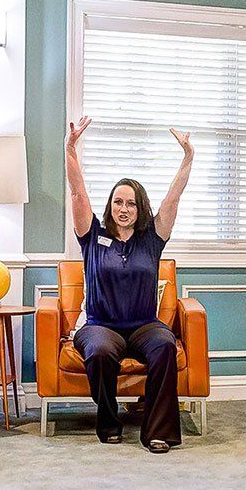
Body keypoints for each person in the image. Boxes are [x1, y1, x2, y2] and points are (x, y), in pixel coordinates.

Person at [65, 116, 193, 453]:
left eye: (131, 203)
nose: (124, 209)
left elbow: (173, 200)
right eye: (118, 202)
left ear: (141, 209)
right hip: (100, 325)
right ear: (110, 205)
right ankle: (108, 420)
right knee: (101, 353)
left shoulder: (151, 239)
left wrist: (187, 158)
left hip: (142, 326)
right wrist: (71, 149)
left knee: (165, 346)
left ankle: (157, 432)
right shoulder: (92, 235)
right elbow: (78, 193)